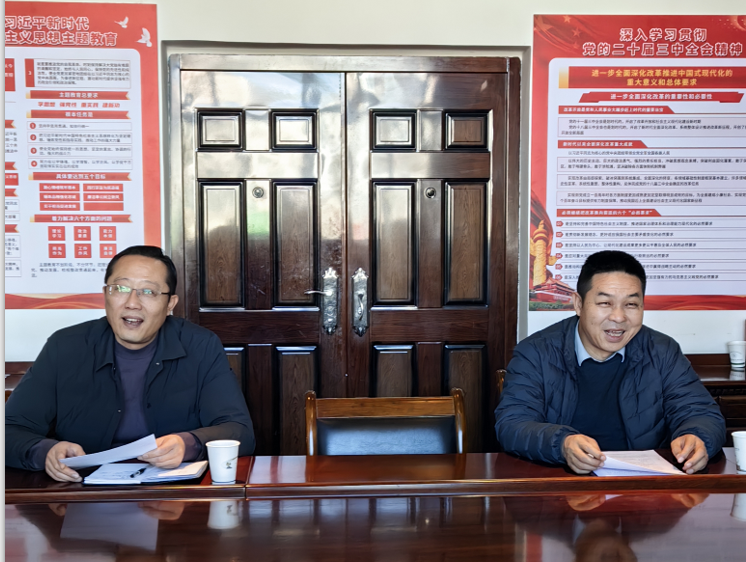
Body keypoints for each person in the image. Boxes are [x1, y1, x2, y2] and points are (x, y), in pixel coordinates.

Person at [6, 245, 255, 482]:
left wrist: (187, 443)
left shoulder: (200, 346)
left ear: (170, 304)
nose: (132, 303)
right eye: (121, 288)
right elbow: (9, 430)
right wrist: (46, 451)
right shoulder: (65, 346)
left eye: (148, 292)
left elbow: (239, 431)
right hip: (79, 490)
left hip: (174, 494)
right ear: (106, 294)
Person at [495, 250, 725, 475]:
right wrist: (562, 444)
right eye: (605, 303)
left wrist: (697, 437)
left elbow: (700, 412)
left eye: (631, 304)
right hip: (561, 485)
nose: (618, 317)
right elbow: (513, 424)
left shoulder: (662, 351)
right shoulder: (536, 352)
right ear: (578, 304)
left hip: (643, 486)